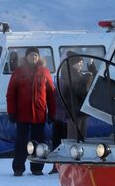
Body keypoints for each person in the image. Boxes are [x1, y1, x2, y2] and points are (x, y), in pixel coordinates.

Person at [6, 47, 56, 176]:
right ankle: (18, 168)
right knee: (21, 143)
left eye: (35, 55)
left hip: (39, 115)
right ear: (26, 57)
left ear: (38, 57)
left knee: (39, 143)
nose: (33, 57)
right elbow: (11, 93)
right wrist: (11, 112)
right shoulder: (18, 72)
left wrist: (52, 113)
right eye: (31, 55)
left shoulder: (44, 72)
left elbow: (51, 94)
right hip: (22, 115)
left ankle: (37, 168)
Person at [60, 50, 97, 140]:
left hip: (80, 110)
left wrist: (93, 71)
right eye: (79, 62)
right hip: (74, 111)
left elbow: (90, 84)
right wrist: (89, 75)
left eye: (81, 62)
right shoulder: (68, 73)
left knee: (81, 137)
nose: (81, 64)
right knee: (74, 137)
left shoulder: (77, 74)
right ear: (72, 63)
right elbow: (82, 89)